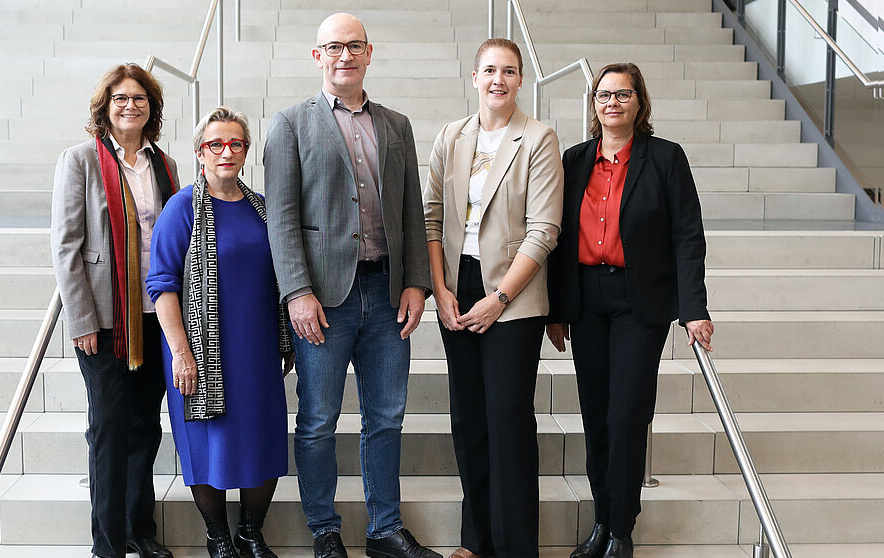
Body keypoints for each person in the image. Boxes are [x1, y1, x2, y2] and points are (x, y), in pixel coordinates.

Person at [263, 12, 437, 558]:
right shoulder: (290, 124)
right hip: (323, 299)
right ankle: (324, 529)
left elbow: (411, 210)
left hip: (387, 293)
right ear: (317, 56)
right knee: (318, 420)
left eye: (354, 45)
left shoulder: (397, 125)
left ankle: (385, 529)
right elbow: (281, 219)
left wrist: (417, 283)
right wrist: (296, 292)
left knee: (386, 417)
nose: (345, 55)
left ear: (369, 52)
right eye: (334, 46)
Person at [546, 62, 714, 558]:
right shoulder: (576, 159)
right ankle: (602, 521)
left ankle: (621, 528)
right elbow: (558, 238)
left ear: (640, 102)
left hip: (639, 302)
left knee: (626, 414)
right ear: (593, 104)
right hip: (586, 300)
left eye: (623, 94)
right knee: (596, 415)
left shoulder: (665, 158)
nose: (612, 103)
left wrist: (694, 308)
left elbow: (688, 235)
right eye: (604, 95)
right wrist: (557, 309)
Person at [423, 38, 564, 558]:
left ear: (521, 79)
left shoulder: (538, 138)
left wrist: (499, 297)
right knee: (469, 419)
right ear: (475, 77)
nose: (497, 79)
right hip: (457, 288)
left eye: (508, 70)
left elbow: (544, 230)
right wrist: (440, 289)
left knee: (507, 419)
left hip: (514, 294)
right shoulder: (451, 135)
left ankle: (515, 547)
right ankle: (475, 541)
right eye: (489, 70)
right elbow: (432, 219)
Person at [146, 106, 293, 558]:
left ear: (245, 151)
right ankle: (218, 537)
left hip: (257, 350)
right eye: (216, 144)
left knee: (262, 439)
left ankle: (251, 533)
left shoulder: (263, 208)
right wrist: (180, 352)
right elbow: (161, 285)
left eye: (235, 144)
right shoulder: (181, 208)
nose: (226, 152)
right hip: (201, 352)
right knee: (209, 445)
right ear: (200, 152)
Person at [51, 63, 179, 558]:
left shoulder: (164, 164)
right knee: (109, 429)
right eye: (120, 98)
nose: (130, 106)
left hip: (156, 316)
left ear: (152, 108)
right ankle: (107, 545)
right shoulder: (80, 160)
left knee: (146, 426)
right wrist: (81, 320)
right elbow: (67, 247)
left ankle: (139, 530)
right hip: (105, 323)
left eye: (139, 99)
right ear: (105, 107)